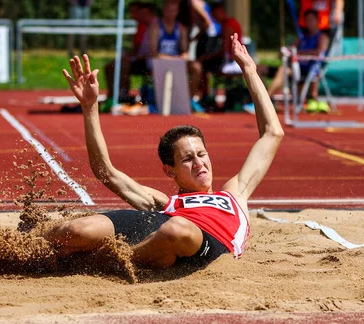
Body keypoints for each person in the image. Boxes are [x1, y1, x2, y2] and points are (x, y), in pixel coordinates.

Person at [52, 33, 284, 269]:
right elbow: (106, 172)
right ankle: (24, 249)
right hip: (164, 227)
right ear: (170, 171)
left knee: (176, 230)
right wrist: (90, 107)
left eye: (202, 155)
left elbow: (272, 133)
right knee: (76, 230)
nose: (199, 163)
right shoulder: (164, 204)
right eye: (187, 159)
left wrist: (249, 70)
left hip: (209, 242)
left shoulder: (235, 193)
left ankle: (113, 261)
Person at [267, 9, 330, 112]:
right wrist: (284, 51)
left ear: (317, 21)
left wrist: (297, 53)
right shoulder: (302, 38)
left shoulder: (322, 37)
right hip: (292, 67)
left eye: (311, 19)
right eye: (307, 20)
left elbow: (319, 52)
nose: (309, 22)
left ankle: (263, 101)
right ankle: (267, 99)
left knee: (284, 70)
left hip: (306, 71)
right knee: (259, 69)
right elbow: (287, 50)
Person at [101, 2, 158, 112]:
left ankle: (122, 95)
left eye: (136, 12)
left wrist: (133, 57)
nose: (133, 15)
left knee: (123, 64)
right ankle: (113, 95)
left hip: (148, 61)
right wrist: (129, 55)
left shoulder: (154, 25)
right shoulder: (142, 25)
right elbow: (136, 47)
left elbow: (150, 50)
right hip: (140, 59)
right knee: (110, 66)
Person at [148, 1, 204, 112]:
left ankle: (188, 100)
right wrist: (173, 59)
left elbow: (184, 50)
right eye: (168, 10)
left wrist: (184, 55)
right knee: (159, 66)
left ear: (177, 12)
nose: (171, 13)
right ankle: (155, 100)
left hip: (176, 62)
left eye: (173, 10)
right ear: (164, 11)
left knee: (196, 67)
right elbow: (153, 52)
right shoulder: (155, 27)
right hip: (159, 61)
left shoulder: (181, 28)